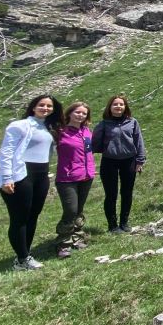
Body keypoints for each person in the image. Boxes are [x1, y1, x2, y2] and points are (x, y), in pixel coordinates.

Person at [0, 94, 63, 271]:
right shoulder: (19, 125)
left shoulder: (49, 128)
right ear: (33, 107)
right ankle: (23, 258)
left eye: (49, 106)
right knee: (20, 218)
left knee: (33, 215)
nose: (45, 108)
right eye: (42, 105)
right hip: (21, 175)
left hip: (41, 176)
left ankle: (24, 255)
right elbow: (6, 152)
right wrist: (7, 178)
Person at [92, 95, 146, 233]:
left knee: (127, 193)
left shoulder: (132, 122)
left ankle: (124, 222)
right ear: (110, 107)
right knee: (111, 194)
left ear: (125, 107)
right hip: (109, 162)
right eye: (115, 104)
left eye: (121, 104)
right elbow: (95, 143)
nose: (118, 107)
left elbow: (139, 141)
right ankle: (112, 225)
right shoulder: (103, 124)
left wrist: (140, 160)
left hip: (129, 161)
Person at [54, 101, 96, 258]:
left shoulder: (87, 132)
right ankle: (63, 243)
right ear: (70, 113)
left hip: (86, 176)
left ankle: (77, 238)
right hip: (67, 177)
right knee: (70, 210)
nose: (81, 115)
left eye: (84, 113)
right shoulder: (60, 132)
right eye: (77, 112)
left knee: (78, 210)